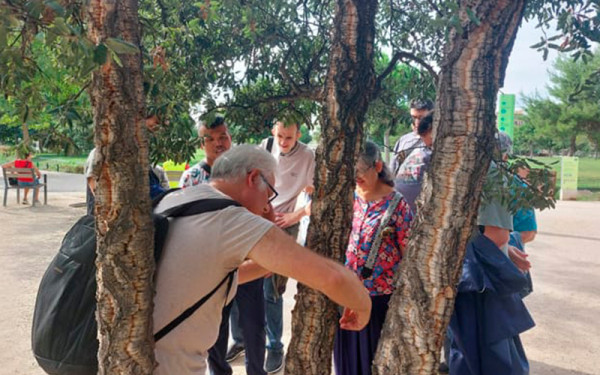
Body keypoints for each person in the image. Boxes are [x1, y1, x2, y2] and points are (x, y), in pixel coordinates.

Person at [152, 145, 371, 375]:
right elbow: (332, 277)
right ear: (254, 177)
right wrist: (363, 305)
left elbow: (222, 276)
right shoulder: (230, 218)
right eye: (269, 194)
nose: (268, 205)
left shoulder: (179, 199)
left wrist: (267, 226)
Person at [448, 132, 535, 375]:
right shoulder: (488, 173)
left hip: (478, 283)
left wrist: (506, 246)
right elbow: (497, 236)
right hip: (477, 280)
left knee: (479, 354)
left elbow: (497, 236)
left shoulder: (483, 173)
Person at [333, 141, 413, 375]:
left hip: (378, 299)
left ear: (377, 166)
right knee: (347, 364)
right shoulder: (348, 197)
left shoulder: (396, 204)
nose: (356, 177)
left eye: (361, 171)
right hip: (346, 296)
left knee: (372, 362)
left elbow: (408, 251)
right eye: (352, 171)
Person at [394, 112, 434, 213]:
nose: (429, 148)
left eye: (432, 145)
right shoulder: (414, 147)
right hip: (400, 212)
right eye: (428, 146)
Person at [179, 115, 232, 188]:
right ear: (201, 144)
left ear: (230, 138)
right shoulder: (190, 178)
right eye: (210, 139)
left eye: (222, 137)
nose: (218, 143)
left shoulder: (245, 174)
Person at [390, 98, 434, 174]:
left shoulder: (438, 142)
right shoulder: (404, 140)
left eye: (421, 118)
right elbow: (392, 169)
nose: (417, 122)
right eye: (414, 117)